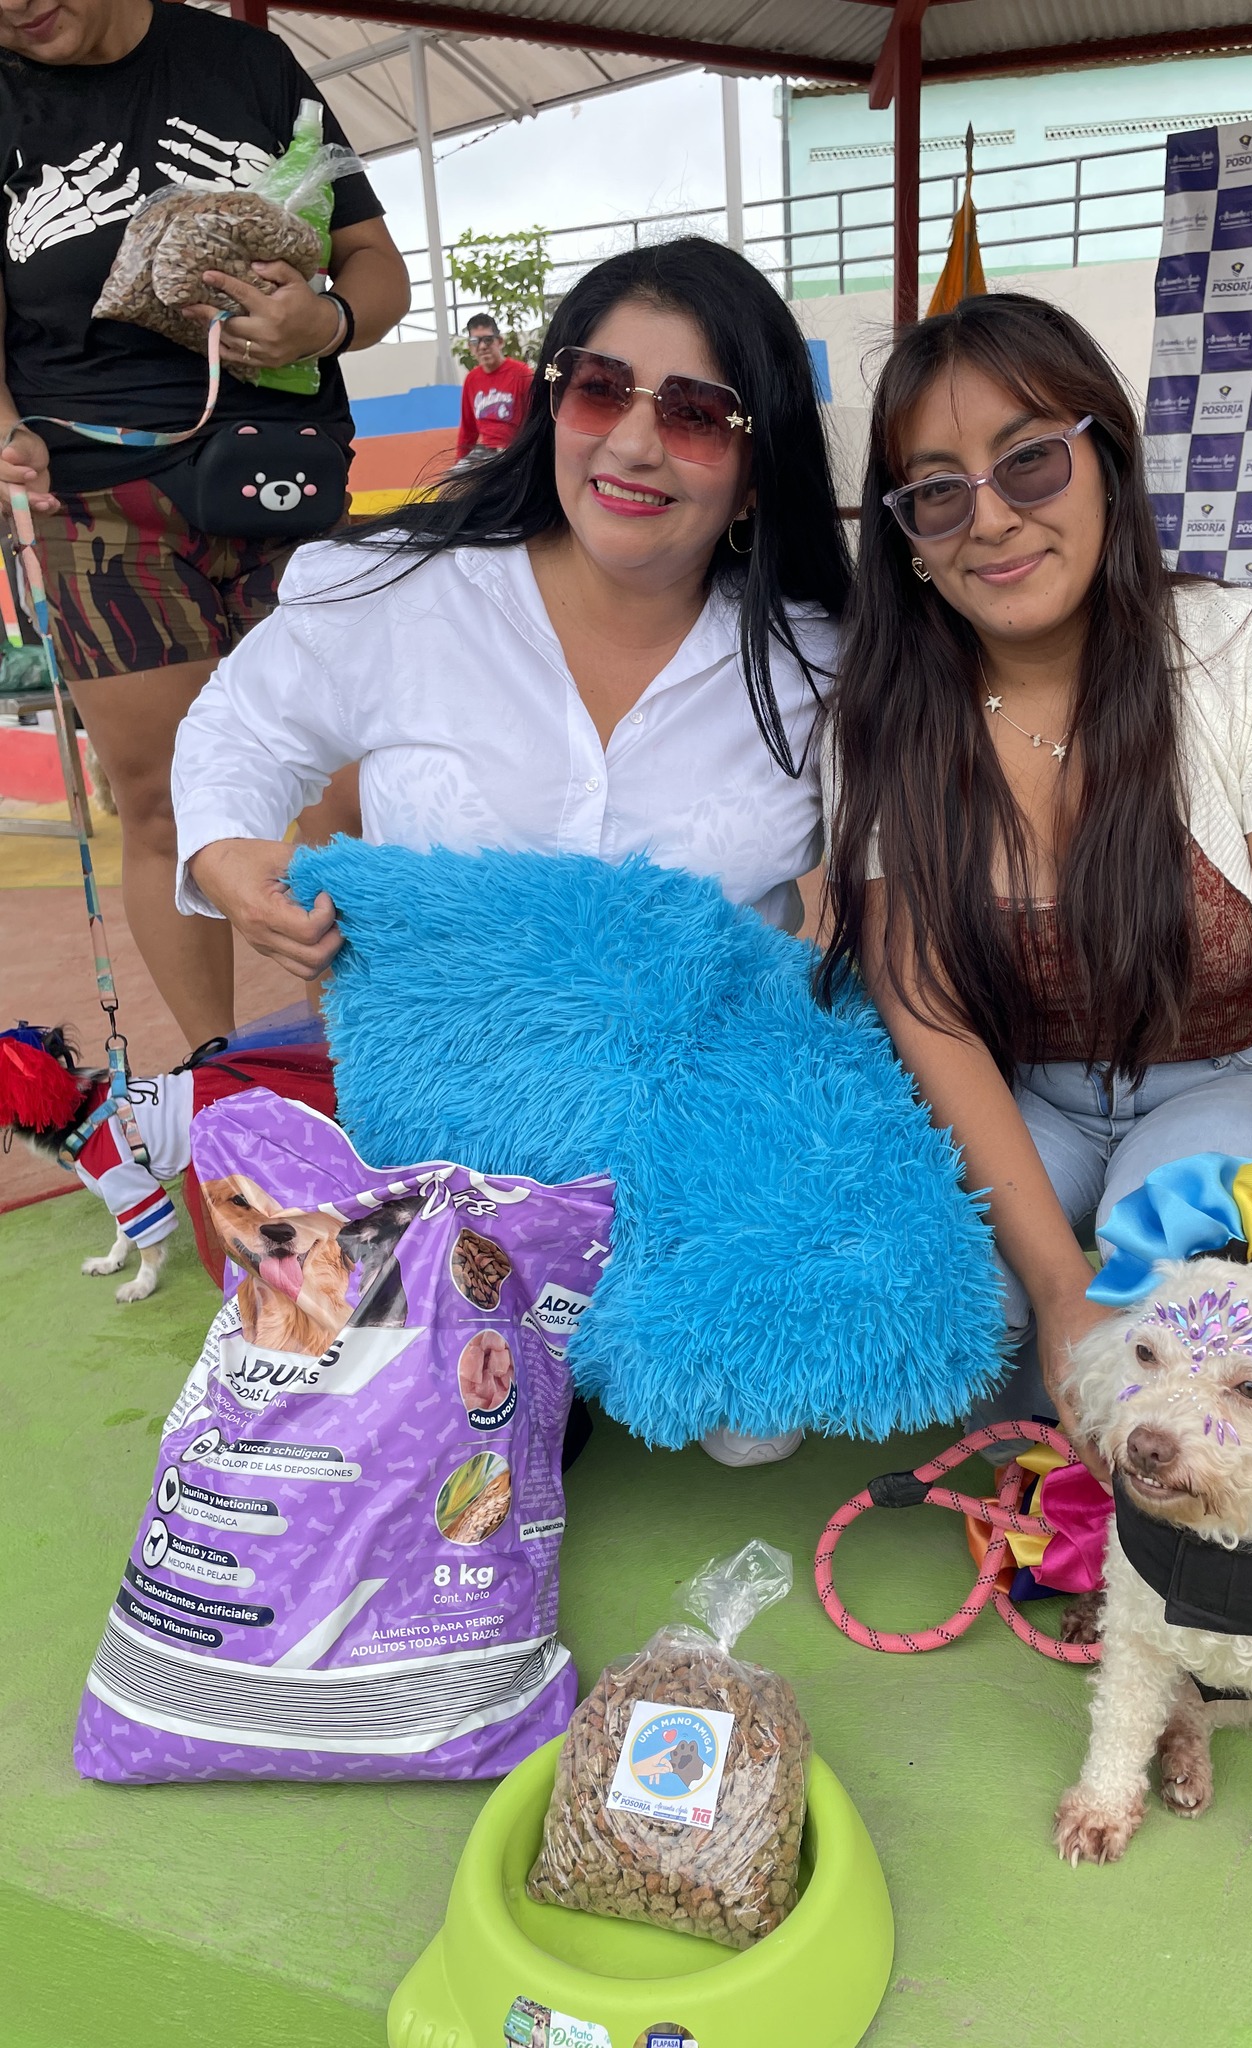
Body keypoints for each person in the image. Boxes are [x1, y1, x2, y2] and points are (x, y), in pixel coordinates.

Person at [172, 236, 851, 1464]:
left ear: (758, 473)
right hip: (451, 1141)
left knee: (751, 1431)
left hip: (699, 1138)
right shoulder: (402, 592)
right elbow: (241, 728)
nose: (633, 443)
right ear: (550, 407)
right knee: (430, 1435)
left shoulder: (819, 662)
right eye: (600, 388)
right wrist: (229, 860)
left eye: (697, 413)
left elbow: (905, 869)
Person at [817, 294, 1252, 1468]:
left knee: (1187, 1291)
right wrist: (1053, 1283)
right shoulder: (878, 715)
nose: (990, 518)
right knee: (953, 1316)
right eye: (938, 490)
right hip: (1017, 1091)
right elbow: (928, 1009)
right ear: (908, 536)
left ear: (1107, 461)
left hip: (1224, 1081)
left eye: (1029, 459)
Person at [0, 0, 410, 1049]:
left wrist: (329, 320)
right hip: (96, 499)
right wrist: (6, 431)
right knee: (163, 803)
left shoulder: (247, 65)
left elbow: (376, 263)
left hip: (286, 479)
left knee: (344, 792)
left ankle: (362, 1069)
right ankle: (217, 1074)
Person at [455, 312, 533, 463]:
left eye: (488, 340)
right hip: (485, 453)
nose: (482, 346)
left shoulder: (523, 374)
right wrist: (459, 465)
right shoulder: (471, 380)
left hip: (515, 451)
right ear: (470, 347)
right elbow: (467, 430)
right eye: (475, 341)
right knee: (455, 477)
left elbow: (534, 421)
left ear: (500, 341)